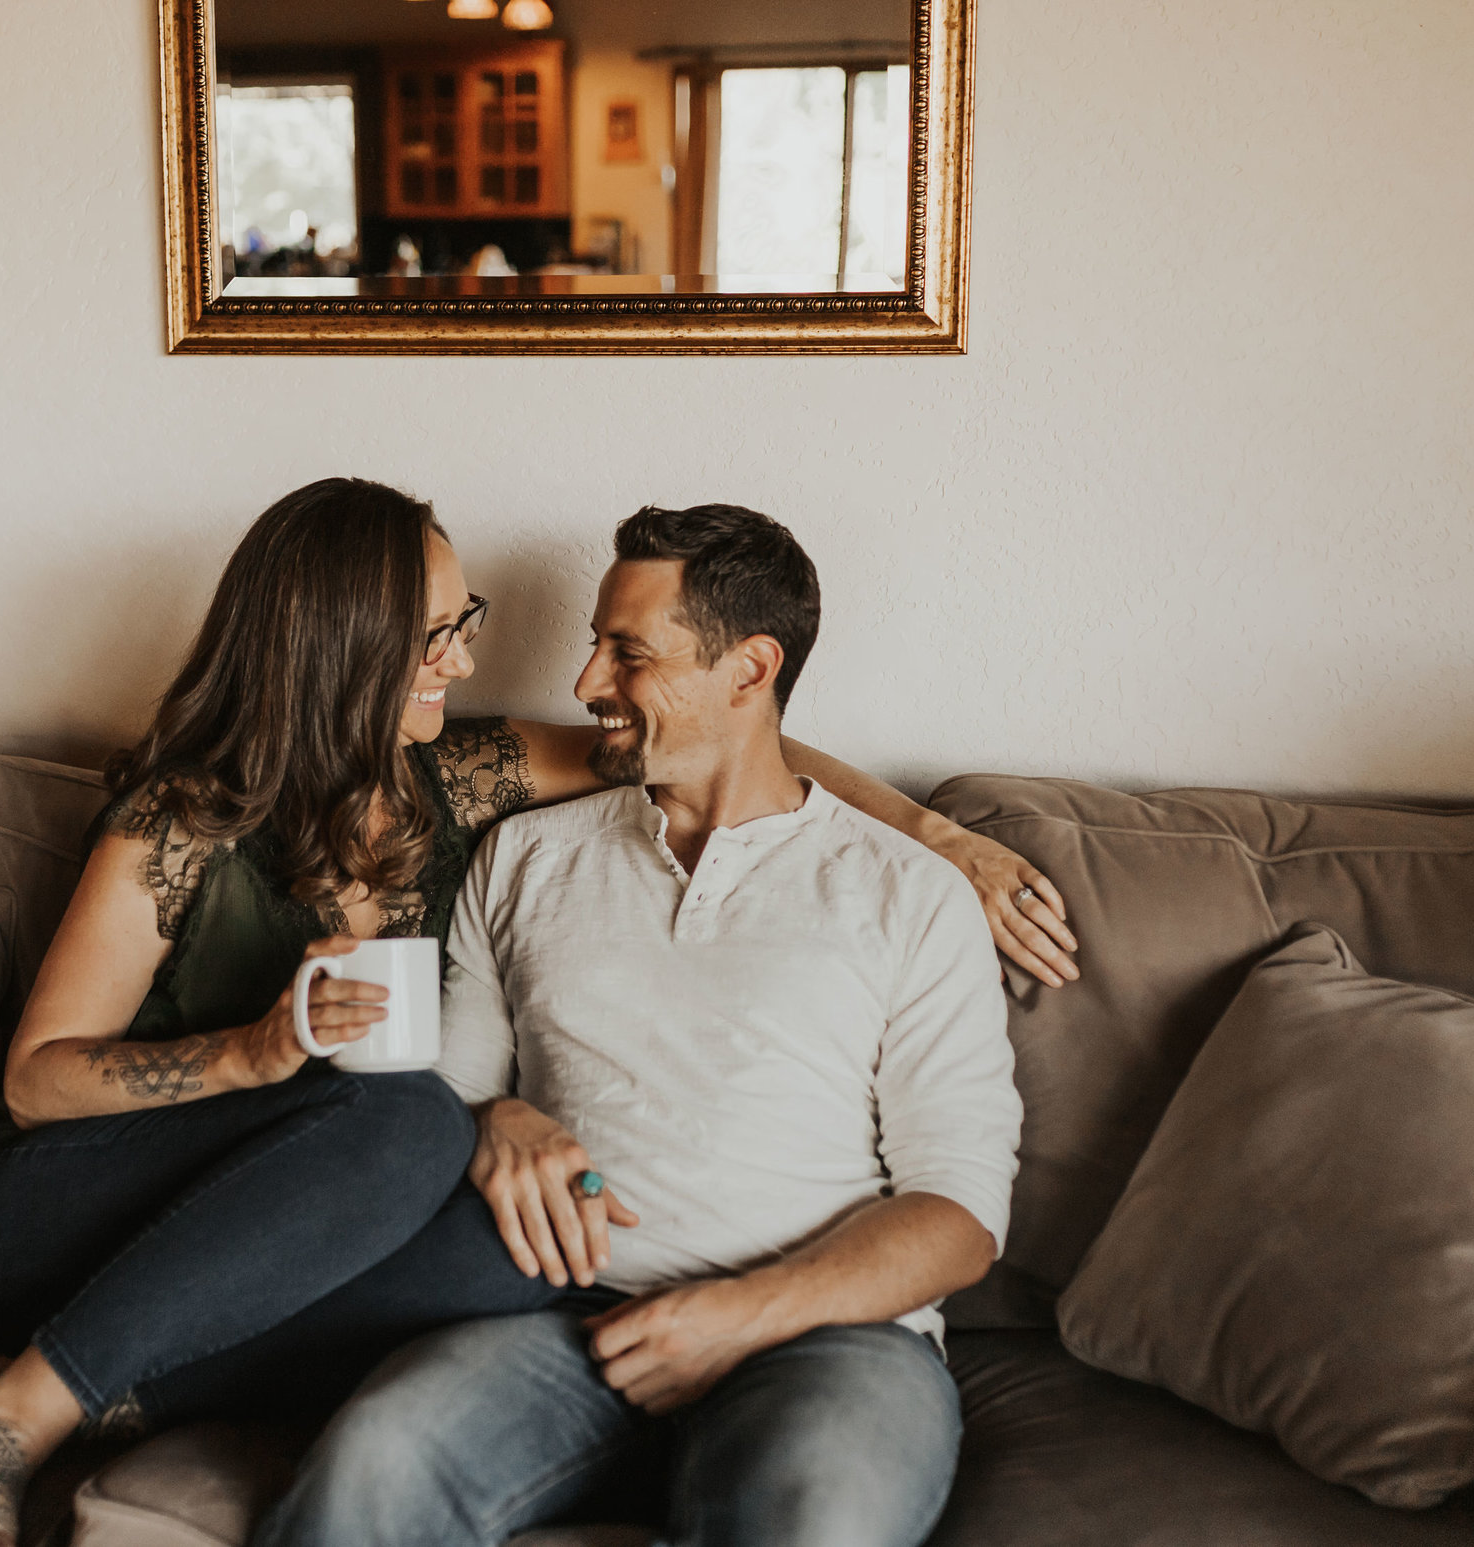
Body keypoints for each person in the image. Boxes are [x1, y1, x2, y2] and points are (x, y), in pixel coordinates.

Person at [0, 480, 1068, 1547]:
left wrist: (935, 834)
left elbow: (728, 748)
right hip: (95, 1207)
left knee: (519, 1247)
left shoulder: (471, 783)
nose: (498, 662)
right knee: (416, 1155)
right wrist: (321, 1067)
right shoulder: (213, 827)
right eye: (441, 632)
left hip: (753, 1317)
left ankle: (100, 1386)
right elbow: (44, 1081)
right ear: (344, 648)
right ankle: (31, 1400)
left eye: (619, 653)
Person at [254, 504, 1025, 1547]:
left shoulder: (909, 894)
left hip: (832, 1343)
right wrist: (496, 1119)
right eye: (594, 643)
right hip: (566, 1324)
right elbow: (445, 1096)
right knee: (371, 1461)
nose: (583, 685)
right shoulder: (525, 857)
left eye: (628, 654)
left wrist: (733, 1315)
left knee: (816, 1522)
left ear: (750, 670)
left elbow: (959, 1212)